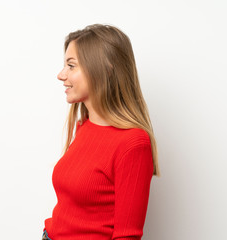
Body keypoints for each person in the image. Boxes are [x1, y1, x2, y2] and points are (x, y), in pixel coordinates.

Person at [42, 24, 160, 240]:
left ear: (104, 68)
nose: (61, 75)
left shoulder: (133, 144)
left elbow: (127, 236)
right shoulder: (84, 127)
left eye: (71, 66)